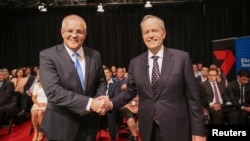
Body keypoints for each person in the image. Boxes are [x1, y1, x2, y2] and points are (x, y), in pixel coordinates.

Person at [106, 15, 206, 141]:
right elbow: (130, 91)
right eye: (146, 32)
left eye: (154, 30)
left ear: (163, 33)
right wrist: (110, 103)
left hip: (177, 127)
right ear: (142, 37)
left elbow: (193, 98)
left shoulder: (181, 58)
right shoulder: (135, 63)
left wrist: (198, 131)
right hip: (149, 128)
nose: (150, 35)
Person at [39, 14, 108, 141]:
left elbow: (101, 81)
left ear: (85, 34)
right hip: (61, 126)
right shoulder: (47, 55)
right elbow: (53, 92)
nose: (74, 35)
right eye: (70, 31)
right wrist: (90, 103)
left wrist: (100, 99)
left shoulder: (95, 55)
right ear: (62, 32)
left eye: (79, 31)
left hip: (89, 126)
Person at [103, 67, 121, 141]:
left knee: (111, 113)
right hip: (100, 105)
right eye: (104, 73)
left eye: (107, 73)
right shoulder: (100, 84)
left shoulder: (116, 84)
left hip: (111, 105)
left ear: (110, 73)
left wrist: (108, 103)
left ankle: (113, 136)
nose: (105, 75)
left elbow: (116, 97)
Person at [30, 69, 47, 141]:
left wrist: (46, 103)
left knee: (40, 113)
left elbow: (52, 96)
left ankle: (41, 131)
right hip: (38, 102)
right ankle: (36, 132)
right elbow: (33, 97)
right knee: (34, 112)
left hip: (47, 102)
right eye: (38, 74)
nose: (39, 76)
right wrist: (38, 104)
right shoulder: (36, 85)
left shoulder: (49, 84)